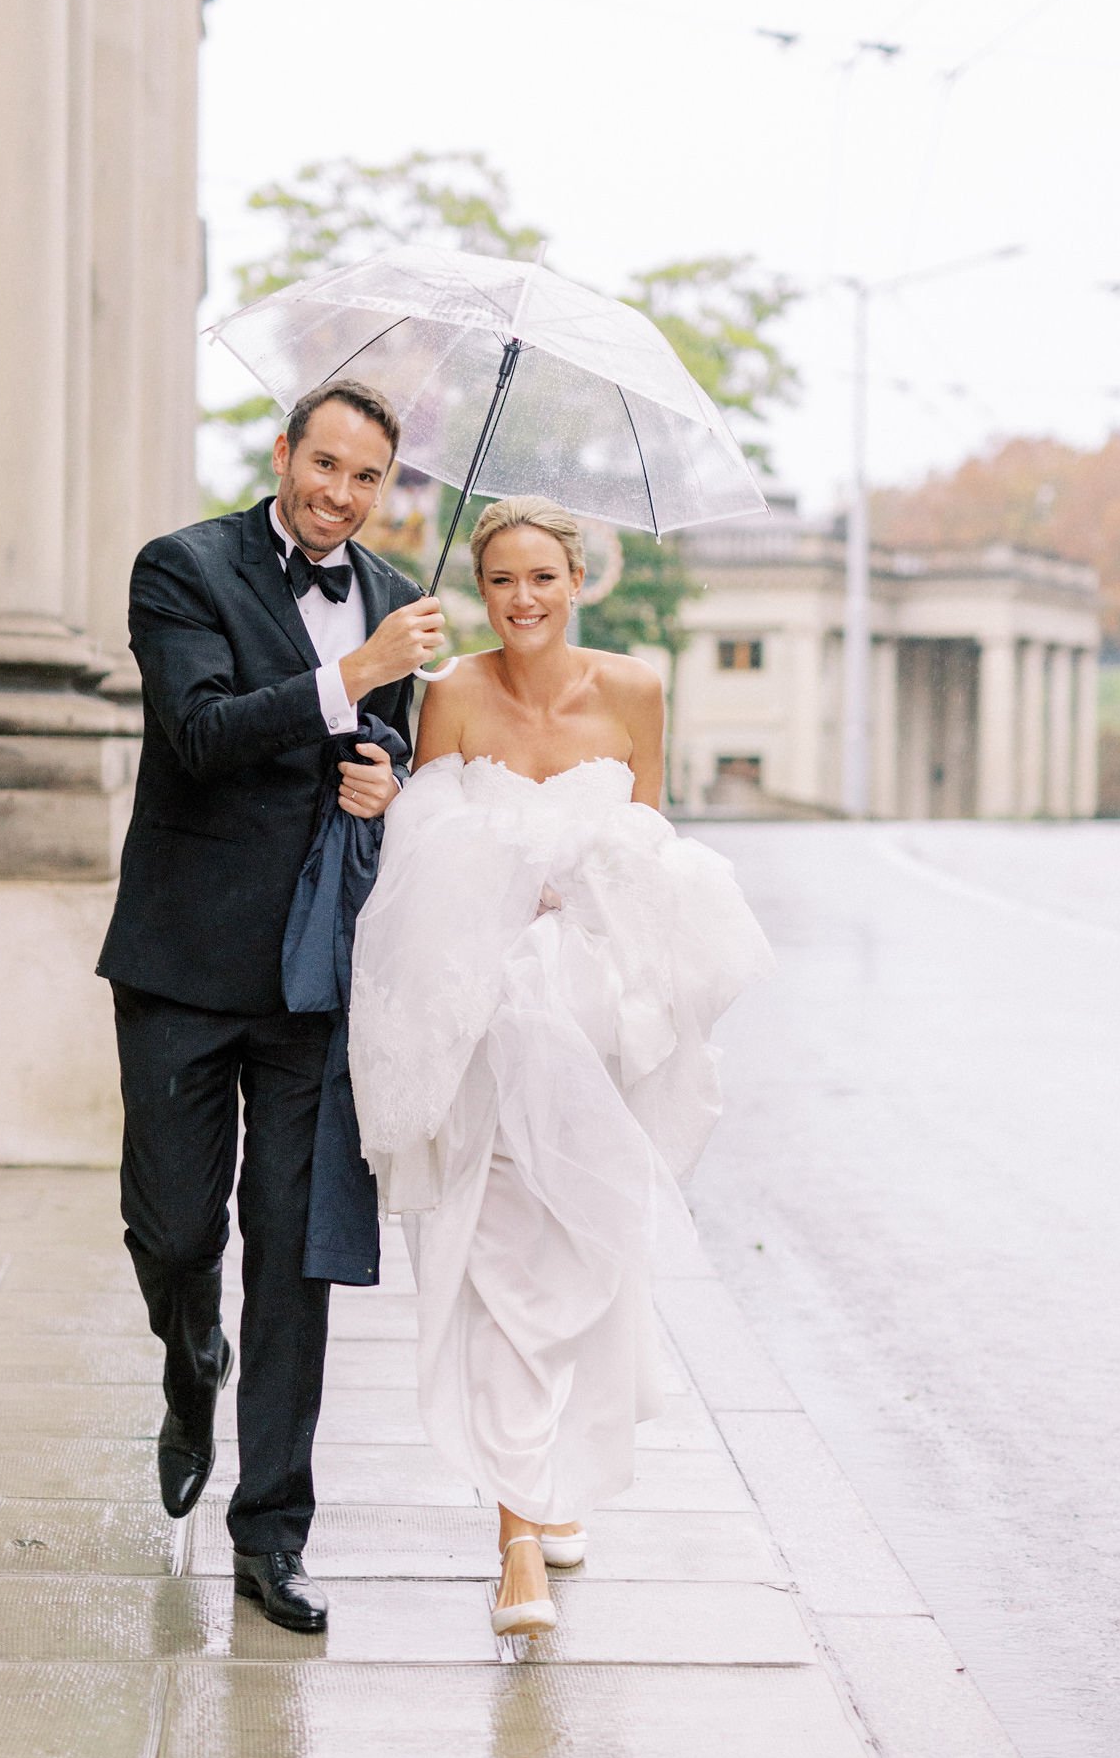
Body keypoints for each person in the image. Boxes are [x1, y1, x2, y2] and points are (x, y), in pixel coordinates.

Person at [349, 495, 773, 1639]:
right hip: (488, 1022)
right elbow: (415, 865)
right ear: (479, 590)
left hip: (595, 1028)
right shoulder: (452, 693)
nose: (521, 599)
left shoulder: (634, 690)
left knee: (585, 1253)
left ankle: (553, 1478)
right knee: (496, 1264)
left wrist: (578, 882)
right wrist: (418, 815)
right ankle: (516, 1543)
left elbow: (653, 856)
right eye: (500, 581)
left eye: (542, 576)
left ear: (577, 578)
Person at [96, 379, 444, 1635]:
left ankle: (273, 1533)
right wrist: (352, 675)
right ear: (284, 450)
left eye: (367, 478)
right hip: (184, 961)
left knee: (294, 1262)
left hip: (313, 977)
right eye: (326, 463)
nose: (341, 494)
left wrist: (384, 773)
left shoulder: (403, 604)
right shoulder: (180, 568)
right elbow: (194, 732)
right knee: (177, 1231)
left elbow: (390, 744)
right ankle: (191, 1363)